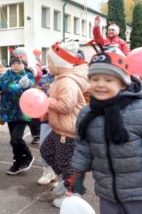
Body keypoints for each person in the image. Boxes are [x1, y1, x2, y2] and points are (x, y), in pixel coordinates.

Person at [70, 46, 142, 214]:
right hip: (106, 191)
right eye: (95, 79)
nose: (100, 84)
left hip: (138, 192)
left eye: (108, 80)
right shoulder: (87, 114)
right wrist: (77, 176)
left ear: (123, 83)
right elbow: (83, 148)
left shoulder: (138, 110)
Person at [40, 40, 89, 208]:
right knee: (46, 151)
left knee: (67, 165)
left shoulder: (67, 82)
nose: (48, 65)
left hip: (68, 133)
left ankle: (72, 196)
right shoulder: (59, 79)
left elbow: (66, 106)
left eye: (50, 62)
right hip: (59, 129)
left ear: (59, 63)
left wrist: (46, 102)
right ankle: (65, 180)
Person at [0, 49, 35, 175]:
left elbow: (29, 86)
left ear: (24, 64)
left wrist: (25, 85)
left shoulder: (27, 75)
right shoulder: (6, 75)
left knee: (16, 139)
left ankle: (28, 156)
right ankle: (17, 162)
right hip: (9, 114)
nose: (16, 65)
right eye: (13, 63)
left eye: (18, 63)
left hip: (22, 114)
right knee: (13, 141)